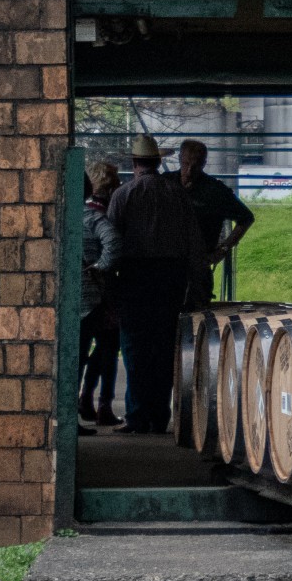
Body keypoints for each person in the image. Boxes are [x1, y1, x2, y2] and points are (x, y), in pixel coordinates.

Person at [106, 134, 205, 435]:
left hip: (135, 278)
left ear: (134, 163)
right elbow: (194, 244)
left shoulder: (123, 195)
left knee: (135, 348)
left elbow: (111, 244)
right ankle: (159, 415)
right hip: (171, 278)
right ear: (159, 162)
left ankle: (136, 416)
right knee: (163, 348)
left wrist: (109, 290)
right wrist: (198, 286)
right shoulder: (177, 195)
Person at [175, 139, 255, 307]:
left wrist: (223, 249)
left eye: (195, 166)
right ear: (179, 158)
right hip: (168, 268)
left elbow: (246, 218)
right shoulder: (166, 183)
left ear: (204, 164)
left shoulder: (215, 191)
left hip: (197, 269)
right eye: (186, 163)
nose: (189, 171)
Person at [78, 158, 123, 432]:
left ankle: (85, 402)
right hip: (98, 294)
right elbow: (115, 243)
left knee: (83, 354)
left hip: (80, 297)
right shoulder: (96, 216)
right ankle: (100, 404)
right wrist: (102, 266)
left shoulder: (72, 216)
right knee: (106, 347)